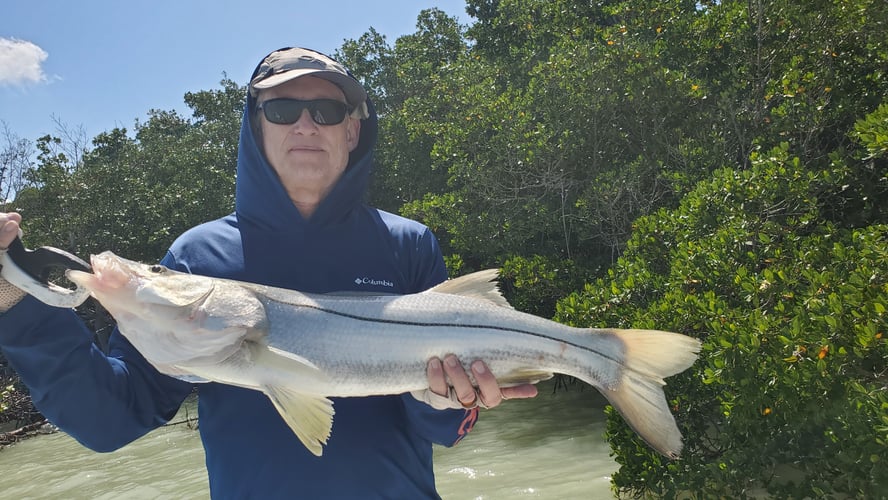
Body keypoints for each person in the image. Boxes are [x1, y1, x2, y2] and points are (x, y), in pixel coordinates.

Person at [0, 47, 536, 498]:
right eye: (281, 109)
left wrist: (449, 401)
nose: (305, 125)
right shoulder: (199, 256)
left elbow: (443, 428)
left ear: (352, 131)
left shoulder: (407, 244)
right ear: (256, 127)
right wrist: (15, 302)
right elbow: (108, 419)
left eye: (326, 110)